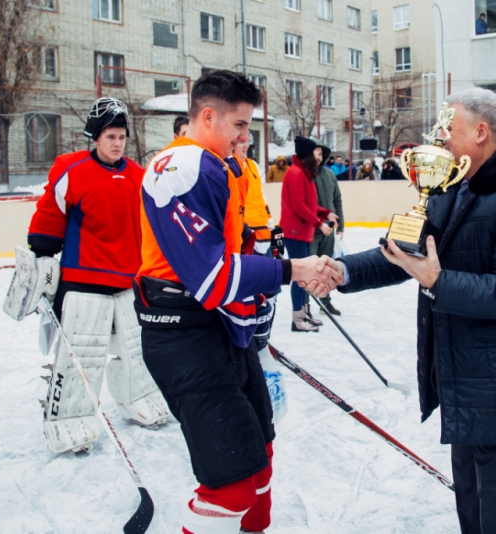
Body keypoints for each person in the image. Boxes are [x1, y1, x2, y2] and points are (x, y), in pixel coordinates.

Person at [313, 88, 496, 534]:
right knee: (470, 501)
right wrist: (342, 271)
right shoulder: (449, 186)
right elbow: (404, 252)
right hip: (463, 379)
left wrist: (439, 281)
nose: (440, 138)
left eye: (449, 128)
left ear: (481, 133)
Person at [135, 70, 341, 533]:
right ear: (207, 116)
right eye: (240, 126)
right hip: (186, 334)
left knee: (260, 457)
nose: (246, 137)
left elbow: (230, 255)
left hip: (223, 329)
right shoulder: (184, 165)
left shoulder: (219, 165)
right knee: (230, 486)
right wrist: (292, 270)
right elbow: (212, 278)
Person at [18, 97, 170, 454]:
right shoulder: (72, 171)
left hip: (128, 281)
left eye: (121, 137)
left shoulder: (138, 175)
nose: (117, 143)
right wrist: (42, 256)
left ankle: (140, 397)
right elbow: (49, 217)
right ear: (96, 138)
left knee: (136, 349)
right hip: (83, 279)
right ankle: (69, 415)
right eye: (110, 137)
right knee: (82, 354)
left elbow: (153, 226)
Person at [280, 135, 339, 332]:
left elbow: (311, 204)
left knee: (304, 274)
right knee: (299, 275)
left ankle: (304, 313)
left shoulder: (305, 173)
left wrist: (324, 212)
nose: (319, 157)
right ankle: (297, 318)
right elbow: (299, 206)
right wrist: (319, 223)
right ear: (308, 155)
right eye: (316, 153)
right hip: (295, 232)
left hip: (302, 232)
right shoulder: (296, 173)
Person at [305, 137, 344, 316]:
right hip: (309, 231)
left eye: (320, 153)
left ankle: (325, 303)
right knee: (308, 269)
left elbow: (337, 200)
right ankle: (304, 307)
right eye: (314, 153)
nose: (317, 157)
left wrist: (341, 225)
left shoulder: (329, 175)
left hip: (328, 230)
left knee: (325, 268)